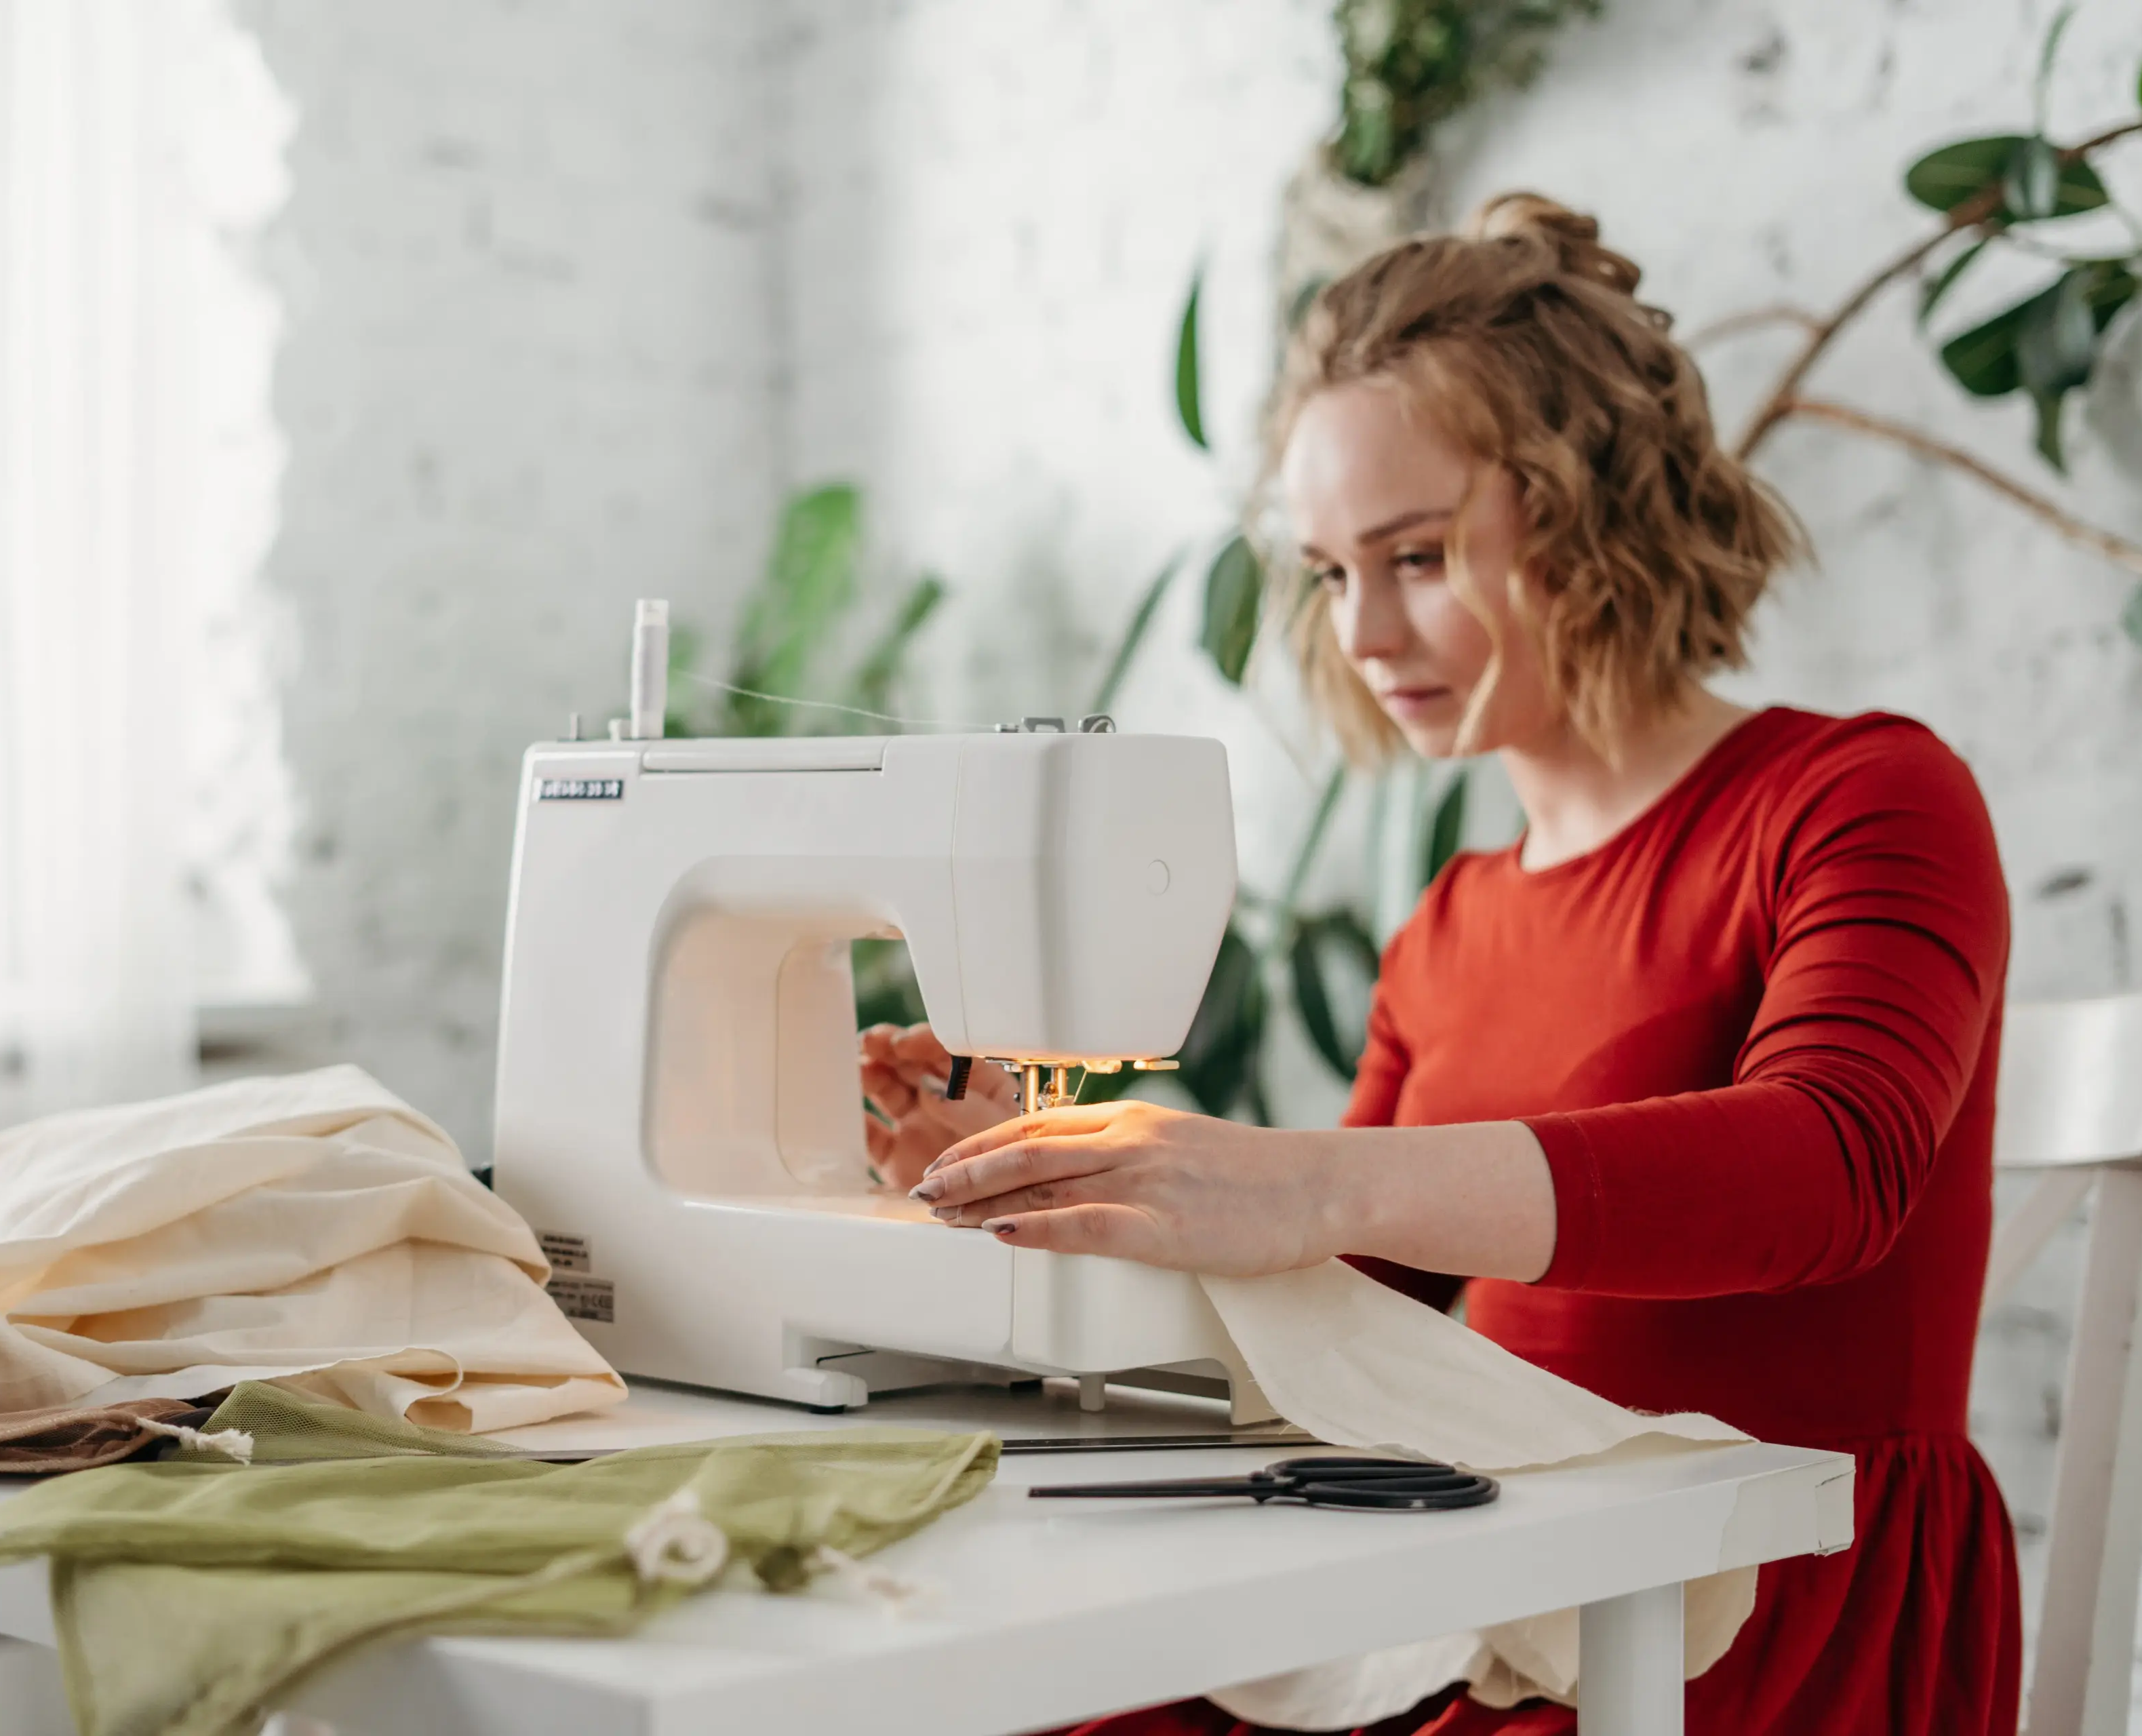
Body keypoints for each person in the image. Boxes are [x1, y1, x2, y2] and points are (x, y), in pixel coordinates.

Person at [856, 193, 2018, 1735]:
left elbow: (1833, 1163)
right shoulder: (1452, 920)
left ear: (1596, 511)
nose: (1367, 631)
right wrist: (1044, 1193)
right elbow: (1347, 1305)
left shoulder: (1860, 795)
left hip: (1765, 1588)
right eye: (1334, 573)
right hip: (1521, 1556)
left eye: (1416, 555)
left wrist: (1310, 1180)